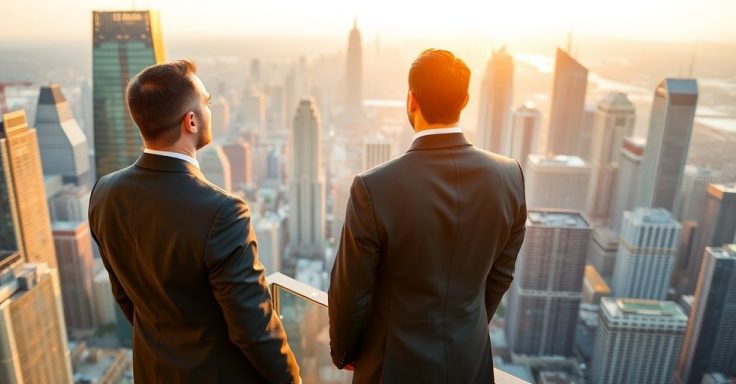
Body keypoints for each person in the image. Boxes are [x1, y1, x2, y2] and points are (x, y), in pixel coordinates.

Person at [89, 60, 300, 384]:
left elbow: (126, 297)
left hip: (152, 372)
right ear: (190, 121)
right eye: (207, 103)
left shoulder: (103, 193)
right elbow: (253, 327)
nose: (210, 110)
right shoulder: (222, 211)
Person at [328, 49, 527, 383]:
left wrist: (345, 352)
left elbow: (352, 290)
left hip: (391, 368)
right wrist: (465, 327)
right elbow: (501, 274)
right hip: (469, 363)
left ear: (411, 100)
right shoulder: (509, 176)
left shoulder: (374, 188)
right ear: (464, 100)